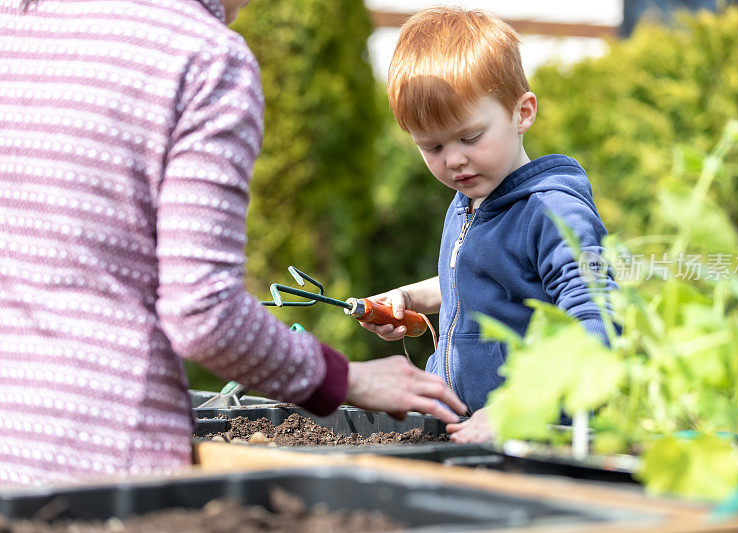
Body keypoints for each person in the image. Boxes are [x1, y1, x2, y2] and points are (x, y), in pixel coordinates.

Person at [0, 0, 466, 487]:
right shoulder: (203, 57)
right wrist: (351, 380)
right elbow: (202, 312)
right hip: (100, 463)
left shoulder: (19, 22)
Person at [361, 7, 617, 444]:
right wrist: (408, 297)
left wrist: (518, 408)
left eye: (470, 137)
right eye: (433, 146)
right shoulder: (473, 198)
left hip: (529, 441)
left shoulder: (552, 212)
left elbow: (597, 322)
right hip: (462, 431)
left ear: (522, 112)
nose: (454, 159)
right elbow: (474, 279)